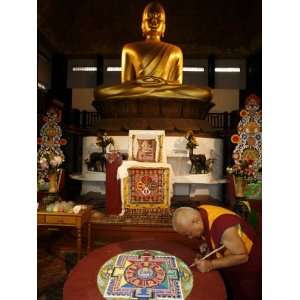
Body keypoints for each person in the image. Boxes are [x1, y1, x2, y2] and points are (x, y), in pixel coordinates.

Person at [94, 1, 212, 102]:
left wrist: (162, 83)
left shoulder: (175, 51)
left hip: (165, 89)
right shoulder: (129, 48)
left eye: (158, 19)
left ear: (164, 27)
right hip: (140, 89)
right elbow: (126, 84)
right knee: (100, 92)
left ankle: (153, 92)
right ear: (142, 25)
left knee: (205, 93)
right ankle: (154, 92)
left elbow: (177, 84)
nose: (154, 22)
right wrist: (142, 82)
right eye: (149, 18)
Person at [172, 205, 261, 300]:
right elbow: (212, 234)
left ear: (196, 221)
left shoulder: (223, 227)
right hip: (229, 263)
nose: (190, 237)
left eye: (189, 234)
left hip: (248, 268)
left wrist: (211, 264)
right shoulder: (201, 211)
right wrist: (207, 243)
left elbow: (242, 256)